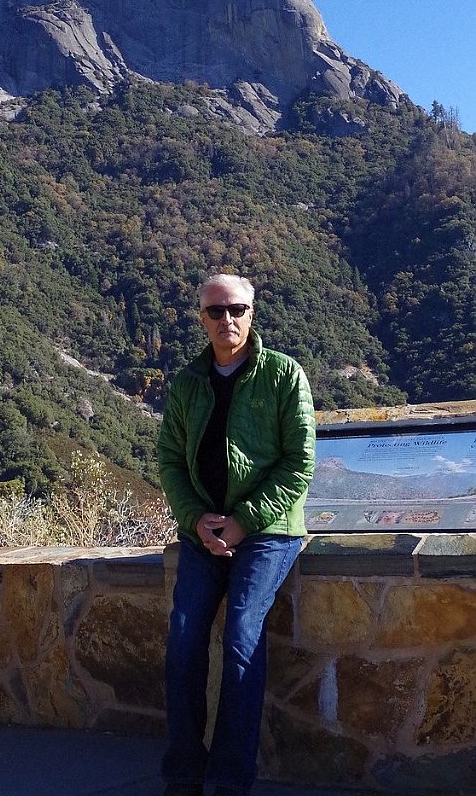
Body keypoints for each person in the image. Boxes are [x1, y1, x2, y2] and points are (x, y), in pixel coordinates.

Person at [158, 273, 315, 796]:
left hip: (269, 531)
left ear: (253, 312)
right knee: (183, 640)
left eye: (238, 309)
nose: (228, 320)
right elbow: (169, 463)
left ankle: (228, 781)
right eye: (216, 312)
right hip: (203, 531)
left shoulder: (284, 376)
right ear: (201, 319)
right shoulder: (187, 384)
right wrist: (195, 518)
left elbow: (299, 464)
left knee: (242, 638)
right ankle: (183, 773)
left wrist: (245, 519)